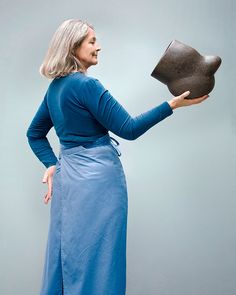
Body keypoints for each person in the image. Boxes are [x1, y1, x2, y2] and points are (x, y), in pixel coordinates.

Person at [26, 19, 208, 295]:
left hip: (69, 183)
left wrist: (52, 164)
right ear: (74, 46)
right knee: (100, 261)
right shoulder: (87, 86)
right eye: (92, 41)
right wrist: (172, 105)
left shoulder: (55, 88)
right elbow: (129, 129)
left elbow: (34, 133)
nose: (98, 47)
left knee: (69, 255)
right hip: (98, 183)